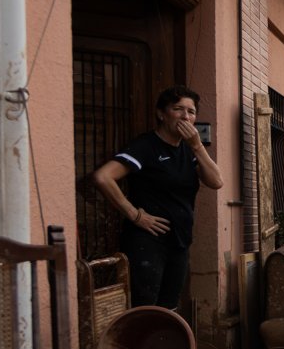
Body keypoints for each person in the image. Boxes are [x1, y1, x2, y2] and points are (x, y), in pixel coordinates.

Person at [93, 85, 223, 309]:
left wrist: (197, 145)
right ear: (161, 114)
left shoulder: (188, 149)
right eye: (178, 109)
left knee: (169, 307)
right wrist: (134, 215)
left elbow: (216, 181)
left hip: (179, 241)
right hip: (147, 243)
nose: (185, 116)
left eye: (191, 112)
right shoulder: (146, 146)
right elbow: (103, 177)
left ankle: (163, 345)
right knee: (145, 309)